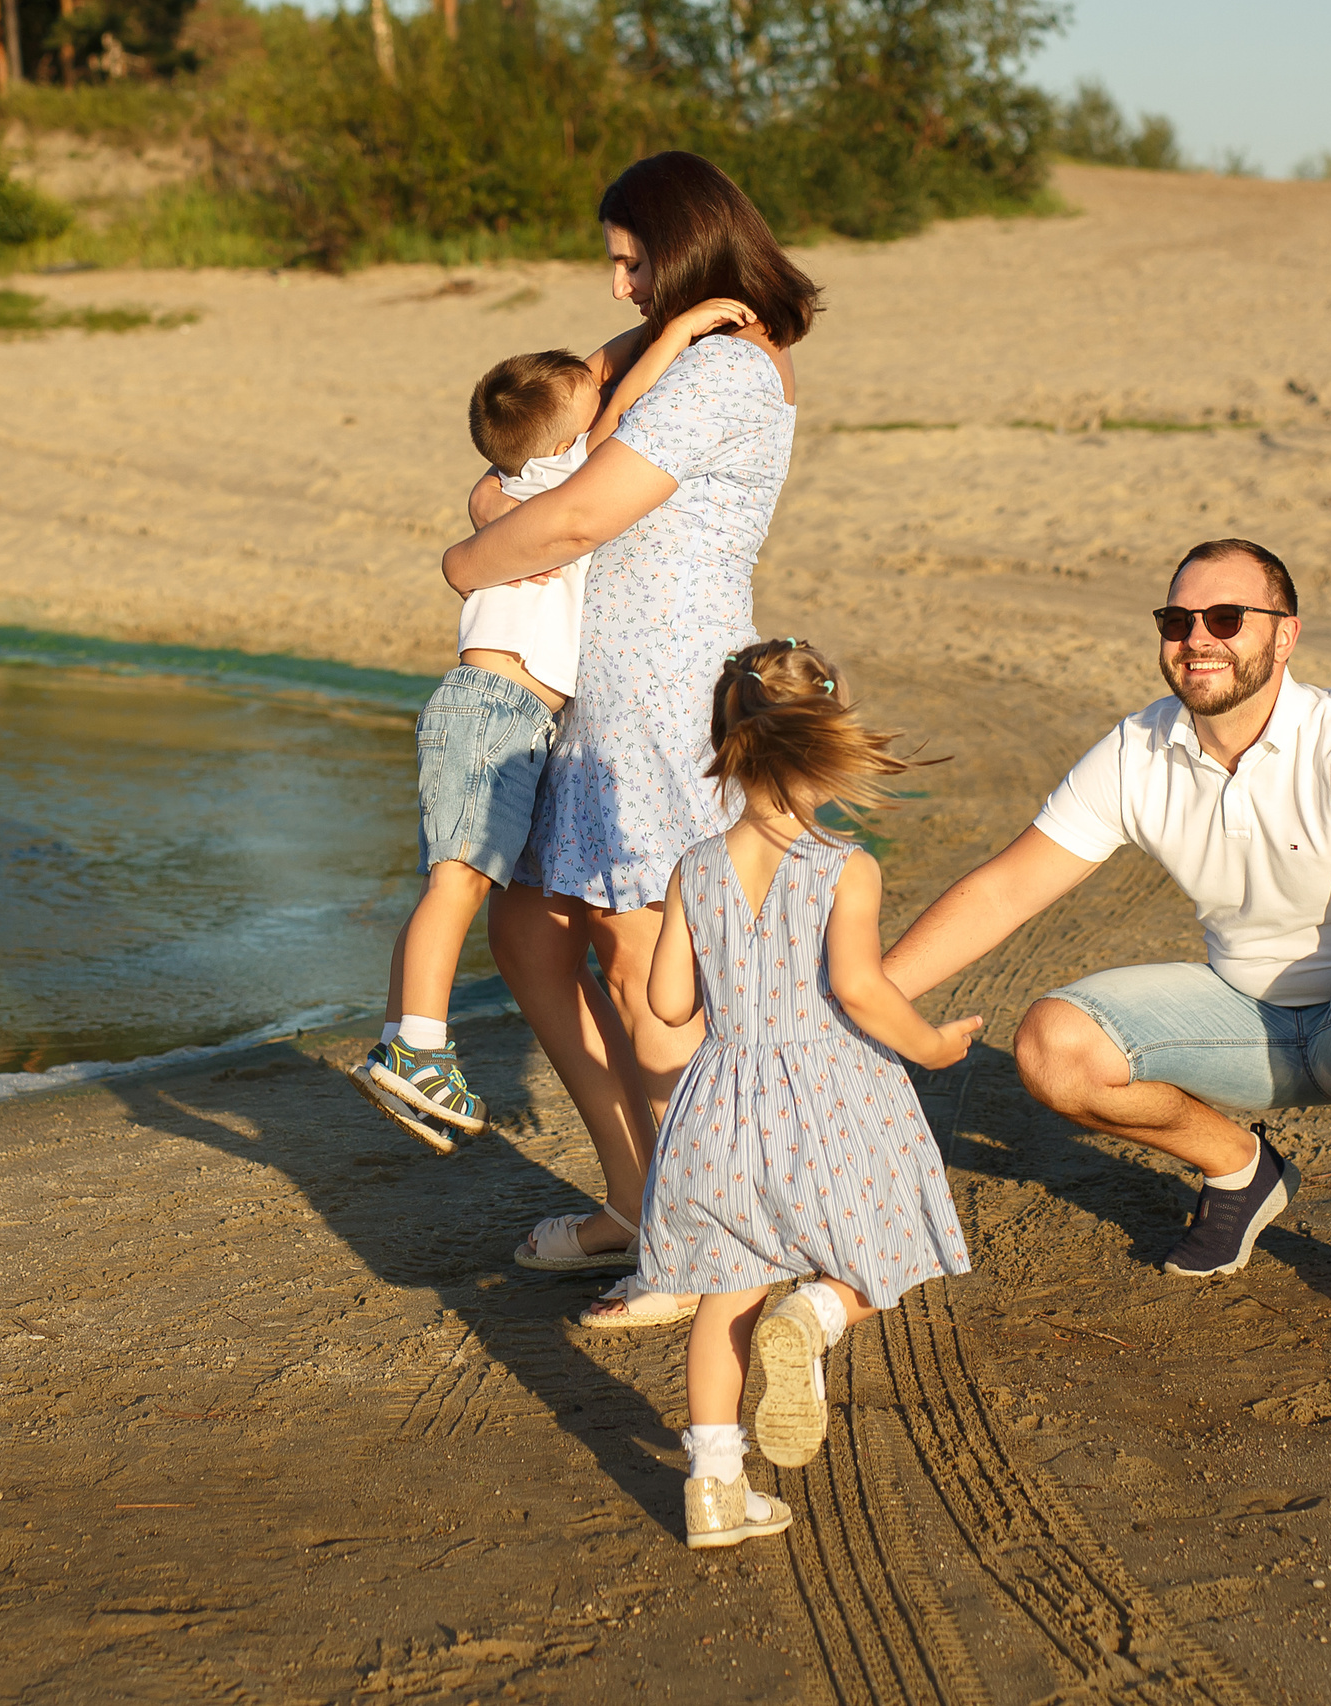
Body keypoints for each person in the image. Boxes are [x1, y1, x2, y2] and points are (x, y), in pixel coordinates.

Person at [881, 539, 1331, 1327]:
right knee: (1051, 1046)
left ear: (1284, 636)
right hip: (1249, 1021)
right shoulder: (1136, 750)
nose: (1196, 639)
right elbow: (1004, 888)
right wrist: (867, 997)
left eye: (1224, 617)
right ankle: (1240, 1170)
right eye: (1177, 620)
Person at [441, 152, 817, 1323]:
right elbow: (538, 430)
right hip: (588, 691)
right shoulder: (685, 345)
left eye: (628, 260)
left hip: (659, 692)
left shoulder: (731, 373)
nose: (613, 288)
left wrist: (466, 559)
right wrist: (499, 504)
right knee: (528, 925)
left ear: (683, 243)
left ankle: (710, 1241)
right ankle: (640, 1195)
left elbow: (582, 510)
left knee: (647, 963)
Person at [354, 308, 764, 1154]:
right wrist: (674, 332)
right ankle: (415, 1047)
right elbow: (619, 398)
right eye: (587, 399)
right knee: (456, 884)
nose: (599, 389)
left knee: (449, 881)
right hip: (496, 714)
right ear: (561, 441)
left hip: (494, 714)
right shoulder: (556, 481)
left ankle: (406, 1031)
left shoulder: (510, 484)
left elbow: (583, 392)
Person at [633, 640, 982, 1547]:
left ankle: (713, 1491)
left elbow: (668, 1002)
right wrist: (936, 1046)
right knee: (881, 1246)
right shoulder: (843, 864)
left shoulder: (695, 867)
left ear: (727, 741)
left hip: (721, 1099)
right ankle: (817, 1314)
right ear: (826, 738)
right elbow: (861, 989)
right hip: (829, 1091)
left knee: (723, 1292)